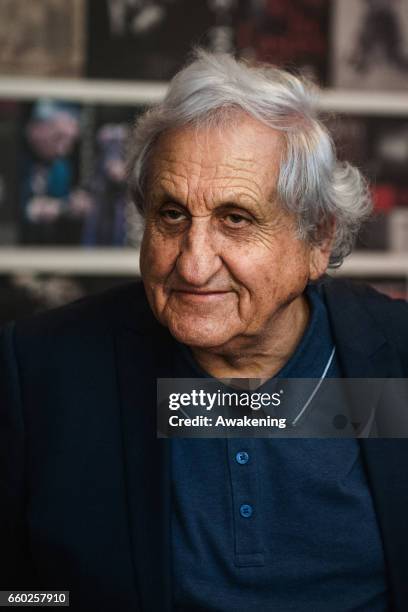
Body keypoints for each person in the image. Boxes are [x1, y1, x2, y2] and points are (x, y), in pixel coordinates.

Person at [1, 50, 408, 612]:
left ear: (317, 240)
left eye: (235, 220)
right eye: (171, 216)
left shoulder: (397, 357)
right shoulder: (42, 370)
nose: (192, 266)